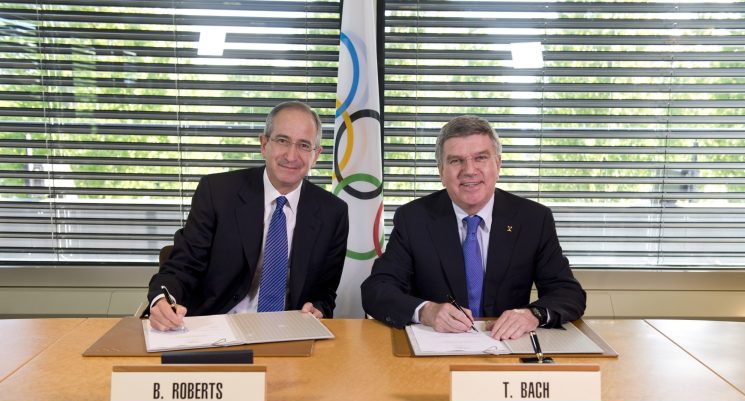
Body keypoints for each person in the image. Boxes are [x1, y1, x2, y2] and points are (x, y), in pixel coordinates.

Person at [361, 114, 585, 340]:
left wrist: (532, 314)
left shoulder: (533, 219)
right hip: (436, 348)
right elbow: (376, 289)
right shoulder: (413, 218)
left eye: (480, 158)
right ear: (441, 171)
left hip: (508, 348)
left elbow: (568, 293)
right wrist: (427, 311)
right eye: (456, 160)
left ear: (498, 165)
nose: (469, 170)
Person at [147, 101, 349, 331]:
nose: (292, 156)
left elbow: (325, 293)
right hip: (216, 328)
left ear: (316, 155)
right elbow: (183, 266)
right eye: (282, 141)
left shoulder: (333, 212)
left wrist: (319, 308)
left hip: (289, 333)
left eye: (304, 145)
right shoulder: (217, 192)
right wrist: (161, 300)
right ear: (264, 144)